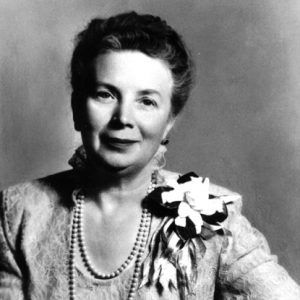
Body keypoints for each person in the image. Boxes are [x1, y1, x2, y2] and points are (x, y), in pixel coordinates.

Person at [0, 11, 299, 300]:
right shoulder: (19, 213)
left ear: (169, 120)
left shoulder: (217, 220)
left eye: (146, 101)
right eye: (106, 94)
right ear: (77, 108)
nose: (123, 118)